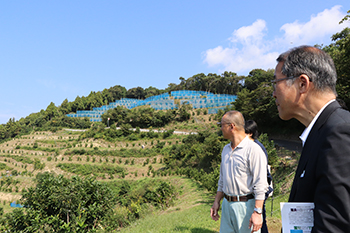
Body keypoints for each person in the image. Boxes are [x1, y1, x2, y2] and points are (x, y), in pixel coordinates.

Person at [272, 45, 350, 232]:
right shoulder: (320, 131)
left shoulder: (339, 132)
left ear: (302, 84)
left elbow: (334, 226)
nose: (273, 93)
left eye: (276, 83)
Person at [210, 111, 268, 233]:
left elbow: (261, 184)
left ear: (232, 126)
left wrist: (258, 212)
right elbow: (222, 179)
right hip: (227, 205)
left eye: (222, 125)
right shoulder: (225, 150)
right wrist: (217, 201)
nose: (220, 128)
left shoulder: (253, 150)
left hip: (246, 206)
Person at [245, 120, 273, 233]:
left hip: (259, 191)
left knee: (259, 220)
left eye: (244, 133)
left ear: (250, 133)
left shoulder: (256, 148)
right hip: (256, 191)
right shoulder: (250, 146)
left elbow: (263, 174)